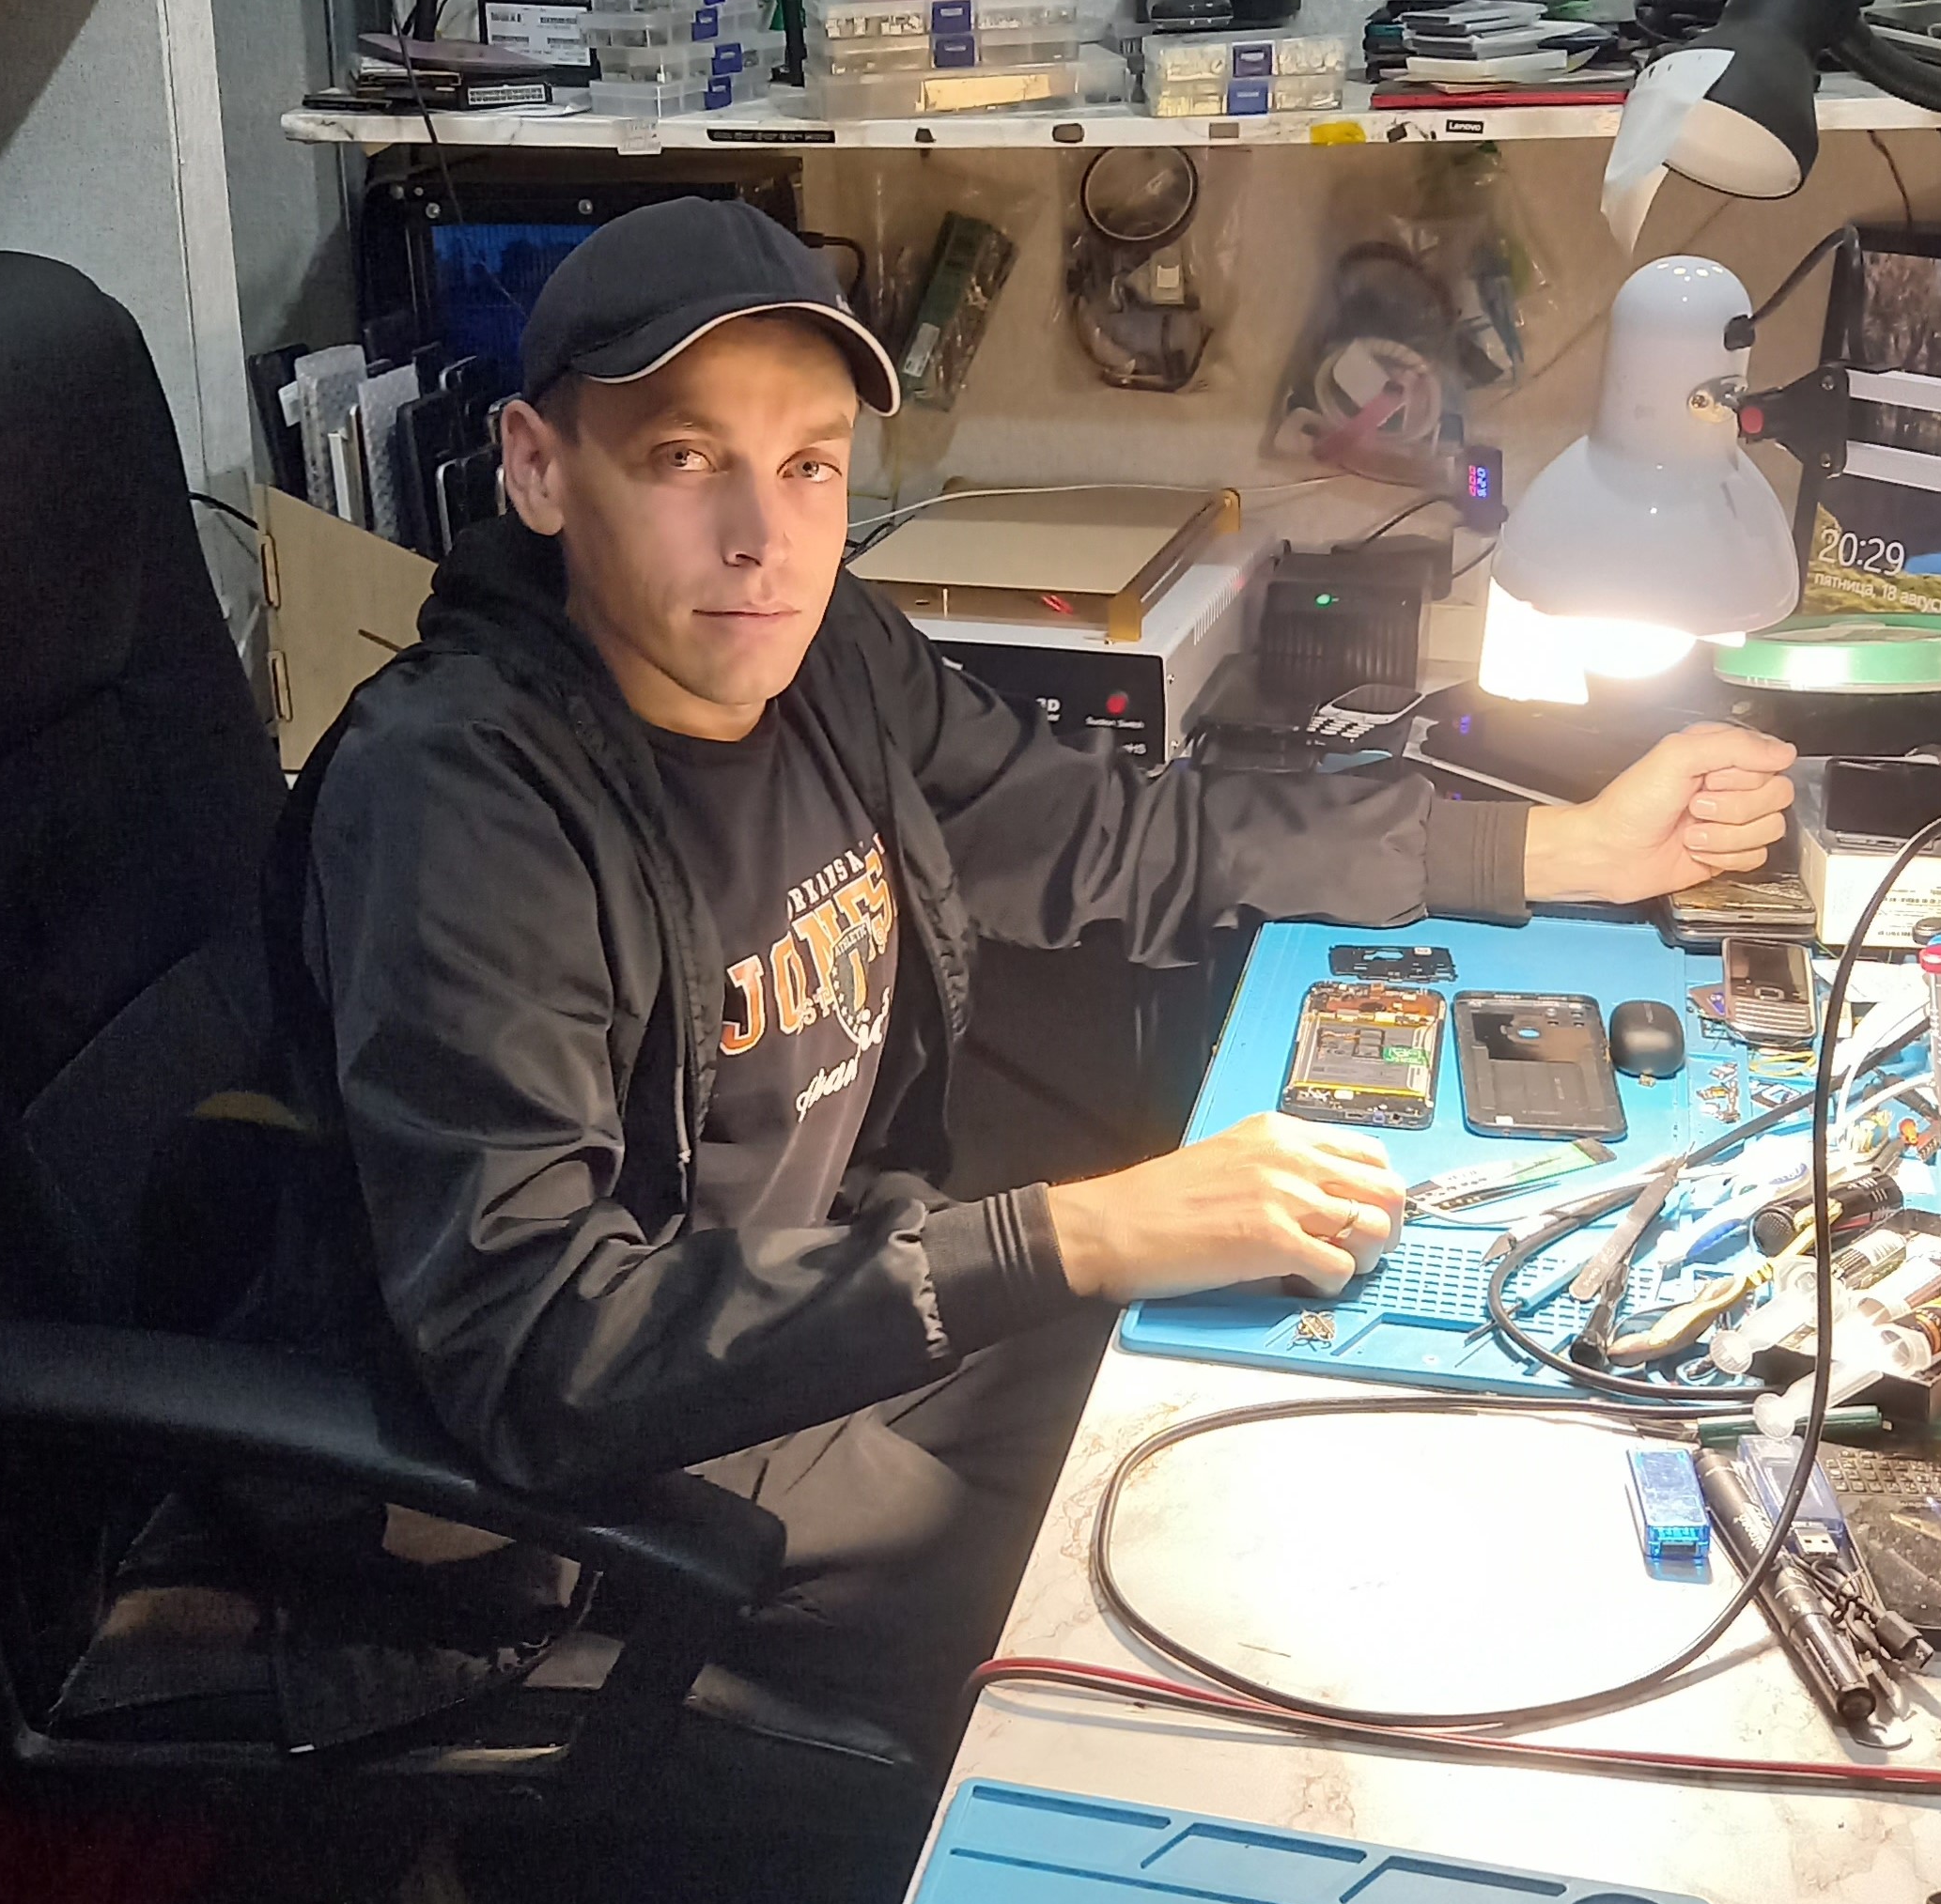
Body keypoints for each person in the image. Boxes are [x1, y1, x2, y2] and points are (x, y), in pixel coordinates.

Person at [269, 197, 1794, 1750]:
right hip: (598, 1459)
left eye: (807, 464)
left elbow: (1116, 832)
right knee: (1182, 1613)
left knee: (1251, 1393)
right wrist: (1070, 1232)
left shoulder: (824, 657)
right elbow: (542, 1347)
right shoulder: (459, 801)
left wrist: (1555, 854)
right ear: (538, 465)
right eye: (682, 458)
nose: (761, 533)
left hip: (816, 1309)